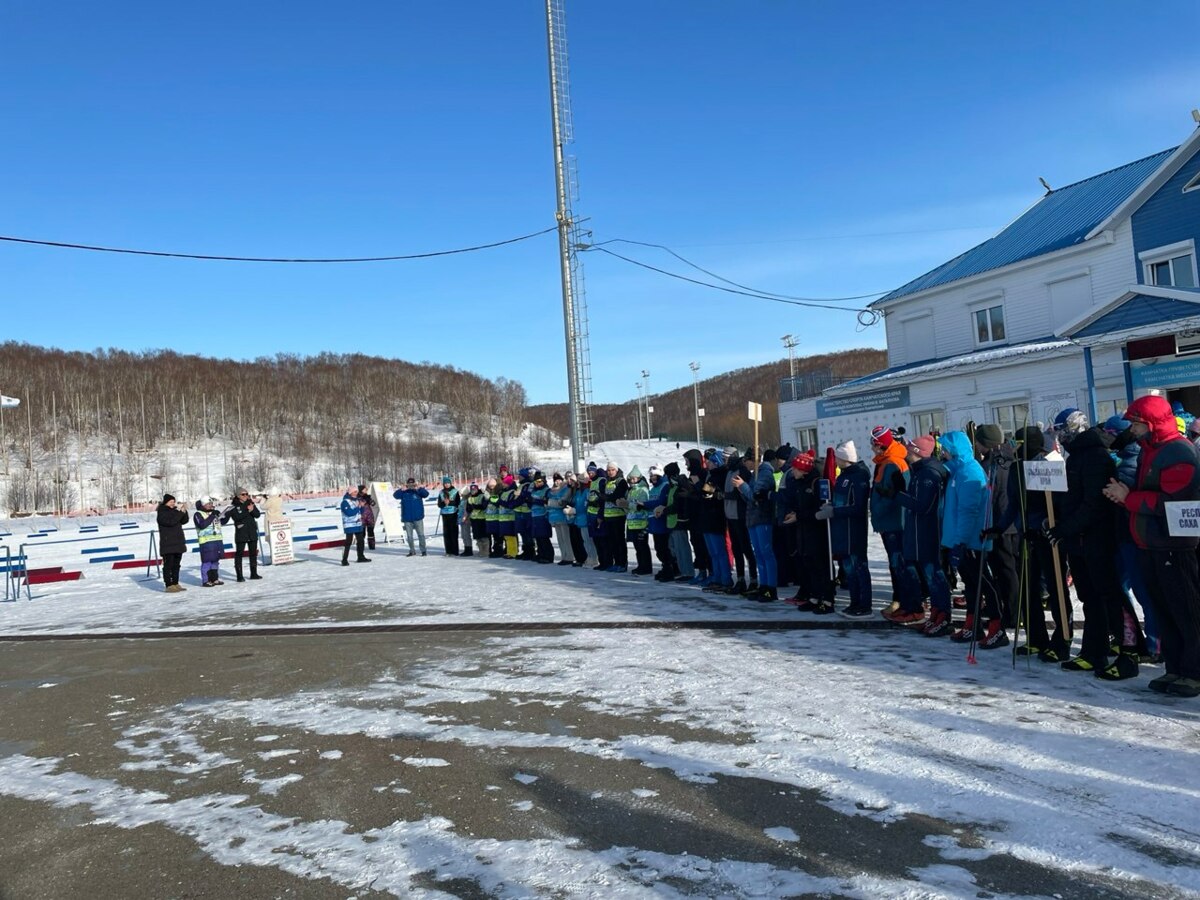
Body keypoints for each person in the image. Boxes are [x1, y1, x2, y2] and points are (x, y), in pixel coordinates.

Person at [1103, 395, 1200, 697]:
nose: (1131, 428)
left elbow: (1176, 502)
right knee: (1163, 609)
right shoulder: (1151, 449)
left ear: (1150, 423)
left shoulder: (1178, 451)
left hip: (1176, 546)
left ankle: (1194, 672)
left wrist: (1126, 497)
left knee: (1186, 611)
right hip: (1151, 544)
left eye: (1135, 423)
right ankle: (1175, 668)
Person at [1048, 409, 1143, 677]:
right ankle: (1094, 650)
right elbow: (1073, 497)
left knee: (1110, 595)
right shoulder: (1076, 456)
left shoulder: (1094, 456)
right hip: (1078, 540)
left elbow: (1094, 503)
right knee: (1090, 597)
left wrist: (1067, 527)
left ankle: (1129, 652)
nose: (1060, 437)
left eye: (1061, 430)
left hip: (1096, 538)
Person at [987, 426, 1071, 659]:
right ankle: (1036, 638)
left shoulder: (1048, 466)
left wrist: (1046, 527)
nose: (1014, 447)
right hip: (1025, 535)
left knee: (1055, 589)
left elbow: (1056, 504)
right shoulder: (1016, 469)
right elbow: (1014, 504)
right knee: (1028, 588)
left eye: (1018, 444)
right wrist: (1000, 527)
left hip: (1047, 537)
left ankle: (1062, 639)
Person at [940, 431, 1007, 648]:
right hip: (960, 538)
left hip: (971, 540)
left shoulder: (969, 473)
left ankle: (998, 627)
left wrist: (960, 541)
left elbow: (968, 511)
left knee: (983, 583)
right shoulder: (958, 472)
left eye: (945, 449)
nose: (942, 453)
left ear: (955, 451)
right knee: (970, 585)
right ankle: (973, 625)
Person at [897, 436, 950, 633]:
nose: (906, 452)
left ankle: (943, 615)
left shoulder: (928, 473)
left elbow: (923, 505)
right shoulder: (921, 471)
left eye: (910, 449)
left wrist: (898, 494)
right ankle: (937, 613)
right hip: (921, 531)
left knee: (934, 574)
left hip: (928, 532)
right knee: (930, 575)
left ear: (918, 452)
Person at [869, 426, 920, 623]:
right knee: (898, 565)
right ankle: (904, 603)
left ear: (879, 444)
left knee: (901, 565)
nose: (872, 448)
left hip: (895, 523)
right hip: (892, 521)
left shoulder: (892, 463)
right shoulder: (888, 461)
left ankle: (910, 605)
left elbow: (891, 495)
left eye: (873, 443)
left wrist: (877, 511)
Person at [818, 441, 872, 617]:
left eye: (838, 458)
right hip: (842, 531)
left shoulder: (858, 477)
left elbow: (858, 507)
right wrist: (830, 507)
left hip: (854, 532)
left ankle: (865, 605)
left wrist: (834, 511)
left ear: (844, 458)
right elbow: (839, 500)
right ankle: (854, 602)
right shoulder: (843, 477)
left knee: (859, 568)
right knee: (849, 569)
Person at [976, 424, 1019, 628]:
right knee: (1007, 571)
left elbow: (993, 496)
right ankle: (1008, 608)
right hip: (1007, 524)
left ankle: (1012, 613)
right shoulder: (1006, 459)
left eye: (978, 441)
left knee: (1006, 571)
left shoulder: (995, 465)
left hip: (1000, 525)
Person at [736, 448, 781, 601]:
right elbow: (749, 497)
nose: (745, 464)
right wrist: (742, 488)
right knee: (759, 554)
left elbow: (755, 495)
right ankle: (764, 585)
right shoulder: (754, 474)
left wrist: (742, 486)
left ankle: (771, 587)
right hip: (753, 518)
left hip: (763, 517)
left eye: (747, 461)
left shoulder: (764, 473)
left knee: (766, 553)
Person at [723, 447, 757, 596]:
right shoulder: (729, 471)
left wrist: (724, 495)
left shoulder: (740, 471)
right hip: (730, 514)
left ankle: (754, 579)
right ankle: (741, 579)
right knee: (736, 548)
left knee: (746, 548)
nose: (724, 461)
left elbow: (742, 493)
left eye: (726, 458)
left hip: (740, 514)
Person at [226, 488, 263, 582]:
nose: (246, 496)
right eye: (243, 494)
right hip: (241, 532)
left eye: (247, 494)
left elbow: (257, 515)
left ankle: (253, 573)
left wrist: (252, 510)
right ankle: (239, 575)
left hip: (251, 531)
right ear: (238, 496)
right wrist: (247, 511)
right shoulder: (233, 506)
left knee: (253, 553)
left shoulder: (250, 503)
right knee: (239, 554)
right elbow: (237, 517)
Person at [599, 462, 629, 572]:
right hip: (608, 515)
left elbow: (617, 495)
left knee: (619, 540)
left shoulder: (621, 481)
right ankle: (616, 562)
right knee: (612, 541)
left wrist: (606, 497)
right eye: (608, 470)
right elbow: (603, 496)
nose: (610, 472)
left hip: (618, 515)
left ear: (616, 470)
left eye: (612, 470)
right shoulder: (607, 481)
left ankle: (622, 563)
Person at [156, 494, 188, 593]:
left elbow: (184, 520)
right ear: (166, 502)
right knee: (168, 565)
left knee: (176, 564)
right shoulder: (162, 512)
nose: (173, 503)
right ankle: (168, 584)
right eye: (171, 501)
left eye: (174, 501)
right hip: (168, 543)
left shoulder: (175, 511)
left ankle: (175, 582)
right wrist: (179, 513)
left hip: (178, 542)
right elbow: (171, 521)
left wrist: (184, 511)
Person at [625, 466, 654, 575]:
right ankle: (641, 565)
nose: (632, 480)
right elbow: (629, 505)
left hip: (642, 522)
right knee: (637, 546)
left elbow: (643, 505)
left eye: (634, 478)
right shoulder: (631, 490)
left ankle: (646, 567)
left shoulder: (643, 490)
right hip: (633, 522)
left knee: (643, 546)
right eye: (631, 478)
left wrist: (628, 505)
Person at [194, 497, 226, 585]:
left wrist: (227, 513)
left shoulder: (214, 513)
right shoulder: (198, 514)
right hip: (206, 542)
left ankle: (214, 578)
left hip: (217, 540)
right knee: (207, 561)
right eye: (208, 504)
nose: (211, 506)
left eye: (211, 504)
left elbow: (223, 522)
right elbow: (202, 524)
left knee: (215, 560)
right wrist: (212, 516)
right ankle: (206, 580)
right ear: (203, 505)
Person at [394, 478, 430, 557]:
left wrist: (419, 488)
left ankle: (423, 550)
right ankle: (412, 550)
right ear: (407, 484)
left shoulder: (418, 491)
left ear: (414, 484)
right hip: (407, 518)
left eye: (412, 484)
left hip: (418, 517)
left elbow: (426, 494)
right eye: (409, 484)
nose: (411, 486)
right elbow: (395, 496)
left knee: (421, 535)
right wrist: (401, 489)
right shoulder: (404, 492)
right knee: (409, 536)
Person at [339, 486, 371, 565]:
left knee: (360, 541)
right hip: (349, 525)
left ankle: (360, 557)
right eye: (354, 492)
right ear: (350, 493)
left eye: (356, 491)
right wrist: (358, 507)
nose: (356, 493)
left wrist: (362, 507)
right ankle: (344, 559)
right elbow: (349, 513)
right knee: (348, 542)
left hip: (357, 524)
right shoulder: (345, 502)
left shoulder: (357, 500)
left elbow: (360, 512)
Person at [529, 471, 554, 562]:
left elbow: (546, 502)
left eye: (539, 481)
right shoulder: (534, 490)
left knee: (544, 537)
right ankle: (540, 554)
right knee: (538, 537)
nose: (537, 483)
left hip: (543, 515)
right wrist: (530, 501)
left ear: (543, 481)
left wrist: (536, 501)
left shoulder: (547, 490)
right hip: (534, 515)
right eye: (535, 481)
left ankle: (548, 556)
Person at [436, 476, 461, 556]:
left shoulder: (455, 491)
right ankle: (448, 551)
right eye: (445, 483)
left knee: (453, 532)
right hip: (444, 514)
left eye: (448, 483)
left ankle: (455, 551)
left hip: (453, 513)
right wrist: (444, 503)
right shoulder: (441, 492)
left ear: (450, 483)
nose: (446, 485)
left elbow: (458, 503)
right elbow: (439, 504)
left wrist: (449, 502)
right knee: (446, 533)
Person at [464, 482, 489, 557]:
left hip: (482, 518)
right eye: (472, 489)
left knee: (484, 535)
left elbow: (483, 506)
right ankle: (481, 550)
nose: (473, 491)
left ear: (477, 489)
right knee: (477, 536)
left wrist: (474, 506)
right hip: (474, 519)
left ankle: (486, 551)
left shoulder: (481, 496)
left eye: (474, 489)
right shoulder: (470, 498)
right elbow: (468, 508)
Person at [358, 484, 377, 550]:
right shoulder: (358, 497)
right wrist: (365, 500)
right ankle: (361, 546)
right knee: (362, 533)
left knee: (371, 531)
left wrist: (370, 500)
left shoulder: (367, 496)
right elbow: (360, 504)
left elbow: (373, 504)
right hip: (362, 517)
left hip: (369, 516)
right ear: (361, 490)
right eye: (365, 489)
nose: (366, 490)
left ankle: (372, 546)